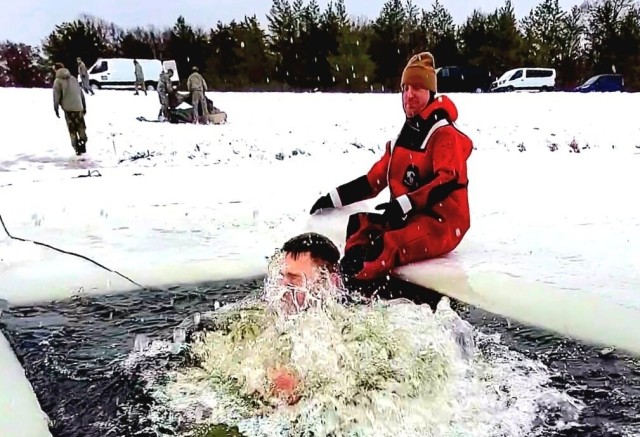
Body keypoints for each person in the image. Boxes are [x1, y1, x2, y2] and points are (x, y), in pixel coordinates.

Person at [309, 51, 473, 282]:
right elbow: (373, 180)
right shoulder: (402, 140)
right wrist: (333, 198)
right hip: (409, 216)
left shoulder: (444, 134)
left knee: (388, 244)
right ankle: (345, 276)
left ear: (431, 93)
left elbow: (447, 181)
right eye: (405, 88)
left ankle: (354, 289)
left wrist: (405, 203)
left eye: (417, 88)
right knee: (359, 225)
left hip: (442, 223)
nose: (409, 96)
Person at [53, 62, 88, 156]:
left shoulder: (58, 81)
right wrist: (84, 106)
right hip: (78, 106)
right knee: (81, 127)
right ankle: (83, 141)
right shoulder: (73, 79)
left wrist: (56, 108)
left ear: (56, 69)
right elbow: (81, 94)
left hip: (68, 109)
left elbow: (56, 96)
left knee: (72, 129)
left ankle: (76, 147)